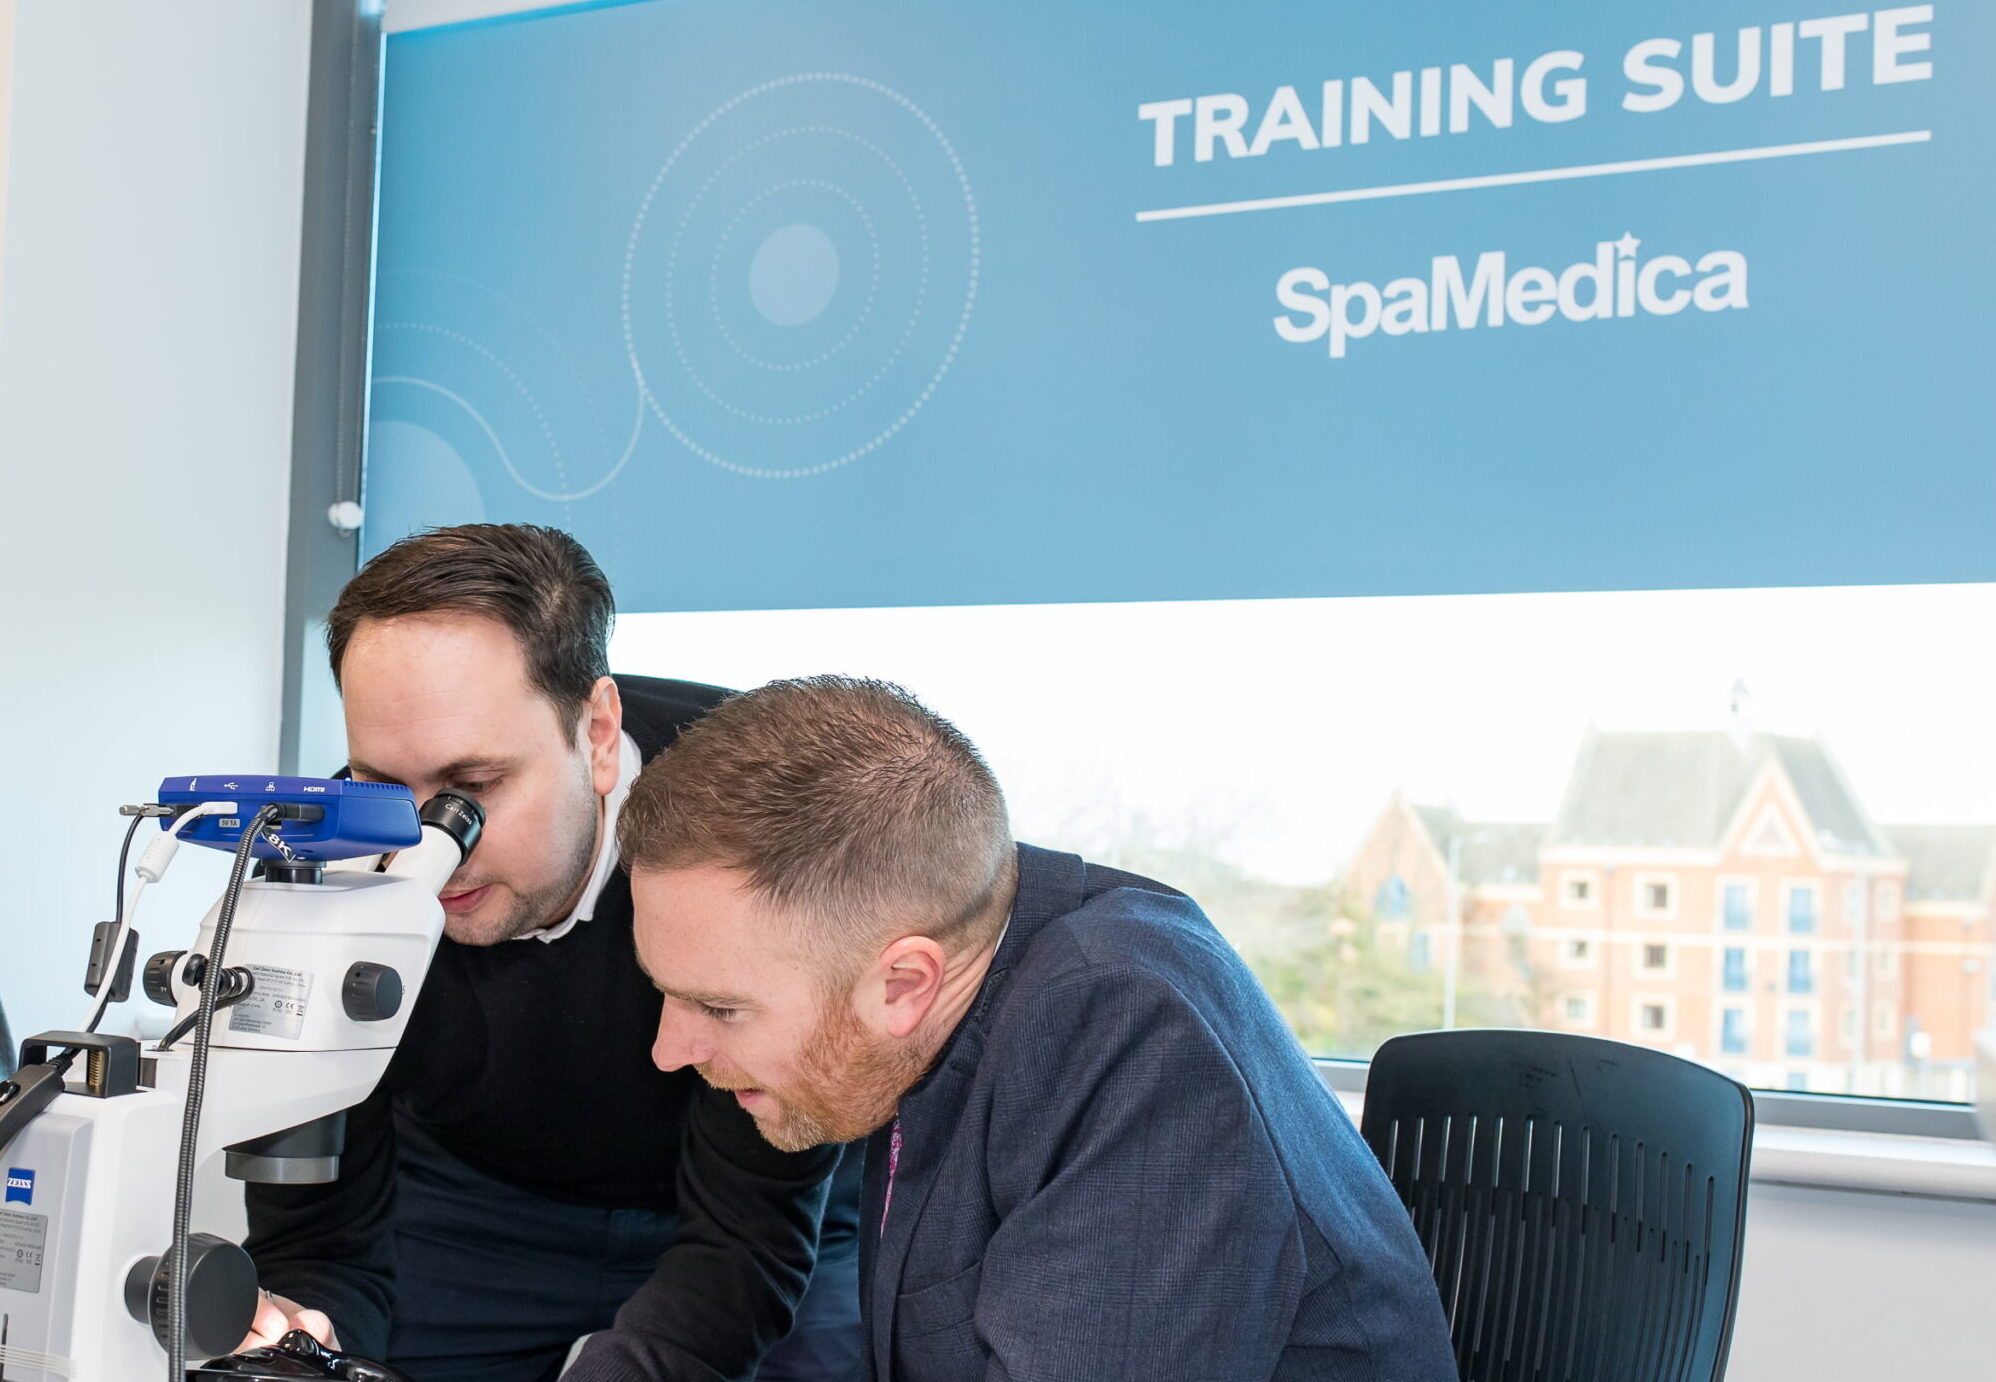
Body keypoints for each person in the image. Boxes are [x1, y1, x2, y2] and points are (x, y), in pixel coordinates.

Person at [615, 676, 1458, 1382]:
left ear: (905, 982)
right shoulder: (954, 977)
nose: (669, 1049)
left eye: (720, 1007)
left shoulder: (1128, 1034)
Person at [240, 525, 863, 1382]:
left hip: (763, 1210)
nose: (422, 848)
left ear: (598, 734)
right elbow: (320, 1240)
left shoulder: (767, 833)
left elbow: (744, 1243)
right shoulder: (327, 859)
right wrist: (309, 1338)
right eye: (382, 786)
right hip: (475, 1206)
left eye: (472, 789)